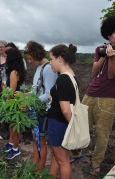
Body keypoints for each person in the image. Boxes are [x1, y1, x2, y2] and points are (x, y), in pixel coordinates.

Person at [81, 15, 115, 176]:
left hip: (108, 99)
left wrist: (112, 57)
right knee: (81, 127)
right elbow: (94, 72)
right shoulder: (99, 49)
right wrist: (103, 56)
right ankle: (77, 153)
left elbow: (111, 75)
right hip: (90, 94)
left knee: (102, 134)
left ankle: (96, 164)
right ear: (108, 34)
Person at [24, 41, 58, 170]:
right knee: (35, 137)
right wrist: (26, 96)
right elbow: (36, 89)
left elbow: (49, 94)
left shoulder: (48, 68)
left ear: (36, 54)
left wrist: (31, 101)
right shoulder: (40, 67)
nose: (30, 61)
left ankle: (40, 169)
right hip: (36, 108)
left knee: (41, 139)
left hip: (43, 109)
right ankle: (34, 164)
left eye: (30, 58)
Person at [47, 44, 78, 179]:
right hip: (62, 123)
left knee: (63, 161)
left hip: (58, 124)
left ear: (59, 58)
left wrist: (74, 126)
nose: (50, 62)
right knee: (57, 157)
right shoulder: (71, 76)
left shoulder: (63, 79)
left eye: (51, 59)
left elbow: (65, 110)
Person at [2, 48, 26, 159]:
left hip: (15, 102)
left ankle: (15, 149)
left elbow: (11, 91)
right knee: (12, 125)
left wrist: (7, 102)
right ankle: (11, 144)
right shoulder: (17, 70)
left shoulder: (13, 72)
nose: (5, 58)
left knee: (15, 126)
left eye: (7, 56)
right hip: (18, 100)